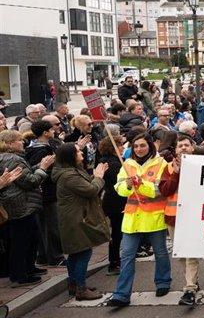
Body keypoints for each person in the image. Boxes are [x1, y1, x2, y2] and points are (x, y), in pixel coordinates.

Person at [106, 132, 171, 308]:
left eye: (142, 145)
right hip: (132, 217)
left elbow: (160, 190)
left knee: (160, 252)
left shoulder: (161, 163)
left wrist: (140, 184)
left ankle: (163, 281)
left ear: (150, 145)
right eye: (135, 146)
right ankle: (121, 294)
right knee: (126, 255)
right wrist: (127, 185)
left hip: (154, 216)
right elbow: (119, 188)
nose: (139, 149)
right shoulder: (126, 164)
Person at [52, 142, 109, 301]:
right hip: (75, 219)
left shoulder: (70, 171)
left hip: (74, 217)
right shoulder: (68, 175)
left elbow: (85, 185)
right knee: (83, 251)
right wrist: (98, 177)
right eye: (78, 152)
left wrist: (95, 177)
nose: (82, 154)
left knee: (76, 253)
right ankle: (81, 289)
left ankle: (75, 284)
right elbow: (90, 190)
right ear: (71, 156)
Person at [0, 130, 52, 286]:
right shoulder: (13, 159)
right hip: (21, 205)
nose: (22, 142)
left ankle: (28, 268)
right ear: (9, 144)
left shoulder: (10, 158)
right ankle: (21, 275)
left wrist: (39, 165)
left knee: (30, 238)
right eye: (19, 140)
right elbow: (30, 181)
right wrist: (42, 169)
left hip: (20, 204)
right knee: (22, 241)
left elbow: (25, 173)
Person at [158, 134, 202, 306]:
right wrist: (176, 174)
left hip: (193, 216)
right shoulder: (168, 168)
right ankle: (193, 280)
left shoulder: (202, 166)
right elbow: (165, 191)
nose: (183, 148)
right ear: (175, 150)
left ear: (192, 147)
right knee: (181, 255)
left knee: (191, 253)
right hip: (173, 216)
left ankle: (190, 288)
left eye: (186, 145)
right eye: (180, 146)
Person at [25, 120, 65, 267]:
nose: (54, 130)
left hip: (47, 193)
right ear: (45, 133)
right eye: (51, 129)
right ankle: (55, 256)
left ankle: (43, 256)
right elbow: (40, 170)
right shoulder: (41, 150)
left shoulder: (45, 147)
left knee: (46, 226)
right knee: (51, 227)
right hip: (46, 194)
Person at [97, 136, 125, 276]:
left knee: (116, 232)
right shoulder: (115, 164)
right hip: (117, 201)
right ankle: (114, 262)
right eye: (120, 145)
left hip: (110, 200)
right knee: (117, 233)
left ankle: (116, 261)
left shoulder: (103, 161)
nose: (123, 147)